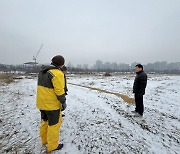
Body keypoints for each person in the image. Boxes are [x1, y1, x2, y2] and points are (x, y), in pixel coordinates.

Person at [36, 55, 67, 152]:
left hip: (41, 103)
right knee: (54, 125)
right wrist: (63, 102)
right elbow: (59, 91)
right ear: (62, 64)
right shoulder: (57, 73)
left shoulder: (42, 71)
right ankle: (53, 146)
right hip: (51, 105)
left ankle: (44, 141)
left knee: (44, 122)